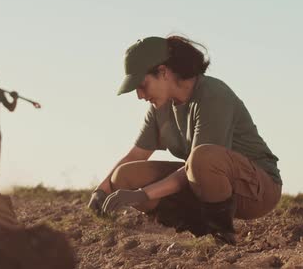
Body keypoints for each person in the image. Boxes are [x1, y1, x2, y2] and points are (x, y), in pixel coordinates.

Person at [88, 36, 282, 244]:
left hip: (257, 189)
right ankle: (201, 231)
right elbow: (136, 155)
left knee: (201, 157)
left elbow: (198, 163)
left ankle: (222, 236)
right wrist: (102, 190)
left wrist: (143, 195)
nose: (140, 95)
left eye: (143, 85)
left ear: (163, 72)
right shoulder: (159, 108)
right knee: (123, 176)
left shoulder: (212, 94)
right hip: (203, 180)